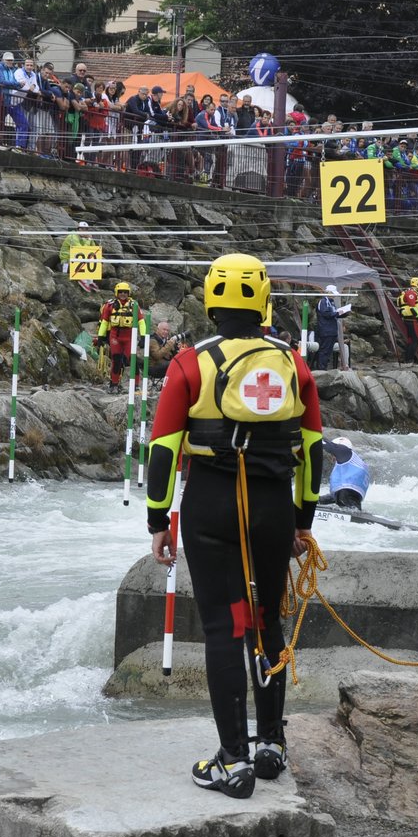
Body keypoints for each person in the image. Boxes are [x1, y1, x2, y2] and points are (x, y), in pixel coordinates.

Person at [145, 253, 324, 798]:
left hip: (212, 505)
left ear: (212, 299)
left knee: (226, 629)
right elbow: (313, 451)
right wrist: (302, 521)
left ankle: (232, 760)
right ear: (262, 298)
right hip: (271, 507)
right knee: (265, 621)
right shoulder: (293, 362)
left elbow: (162, 448)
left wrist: (158, 520)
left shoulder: (190, 363)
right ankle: (271, 744)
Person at [97, 280, 140, 391]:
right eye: (121, 292)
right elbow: (105, 322)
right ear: (117, 292)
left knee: (131, 359)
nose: (123, 294)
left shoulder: (134, 305)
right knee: (116, 359)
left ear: (128, 293)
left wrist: (144, 336)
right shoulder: (110, 305)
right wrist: (100, 336)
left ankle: (136, 385)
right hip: (115, 336)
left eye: (125, 292)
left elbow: (141, 321)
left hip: (129, 336)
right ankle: (114, 384)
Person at [321, 436, 370, 509]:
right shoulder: (352, 463)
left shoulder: (345, 452)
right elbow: (338, 493)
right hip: (351, 496)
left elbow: (327, 445)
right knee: (353, 509)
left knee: (350, 510)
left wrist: (313, 437)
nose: (331, 456)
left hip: (346, 494)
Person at [313, 284, 348, 371]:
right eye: (333, 293)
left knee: (328, 351)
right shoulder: (323, 302)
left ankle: (324, 368)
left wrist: (344, 313)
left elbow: (333, 314)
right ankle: (321, 369)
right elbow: (327, 314)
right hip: (325, 330)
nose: (334, 295)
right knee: (324, 350)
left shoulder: (331, 302)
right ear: (328, 292)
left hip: (332, 330)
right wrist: (338, 313)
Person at [397, 276, 418, 362]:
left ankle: (407, 359)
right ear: (417, 284)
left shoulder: (408, 292)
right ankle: (409, 359)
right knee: (415, 340)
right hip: (412, 320)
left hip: (409, 319)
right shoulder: (411, 293)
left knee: (410, 340)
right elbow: (412, 307)